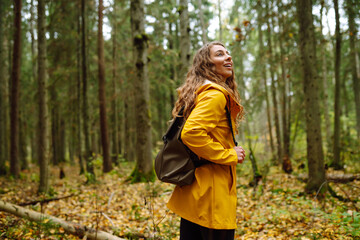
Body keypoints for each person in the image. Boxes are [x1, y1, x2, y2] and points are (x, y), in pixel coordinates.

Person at [167, 41, 246, 240]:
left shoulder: (201, 93)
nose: (228, 57)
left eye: (228, 54)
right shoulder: (214, 96)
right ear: (207, 65)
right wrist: (229, 154)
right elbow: (192, 133)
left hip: (196, 191)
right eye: (220, 54)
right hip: (211, 196)